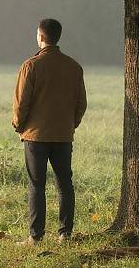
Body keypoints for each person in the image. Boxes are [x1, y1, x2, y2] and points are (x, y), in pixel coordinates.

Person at [12, 18, 87, 245]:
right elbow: (81, 103)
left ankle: (36, 236)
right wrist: (69, 124)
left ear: (41, 37)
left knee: (37, 185)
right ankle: (65, 233)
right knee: (65, 183)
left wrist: (18, 125)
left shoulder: (30, 66)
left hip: (35, 136)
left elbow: (21, 103)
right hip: (63, 135)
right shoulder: (74, 67)